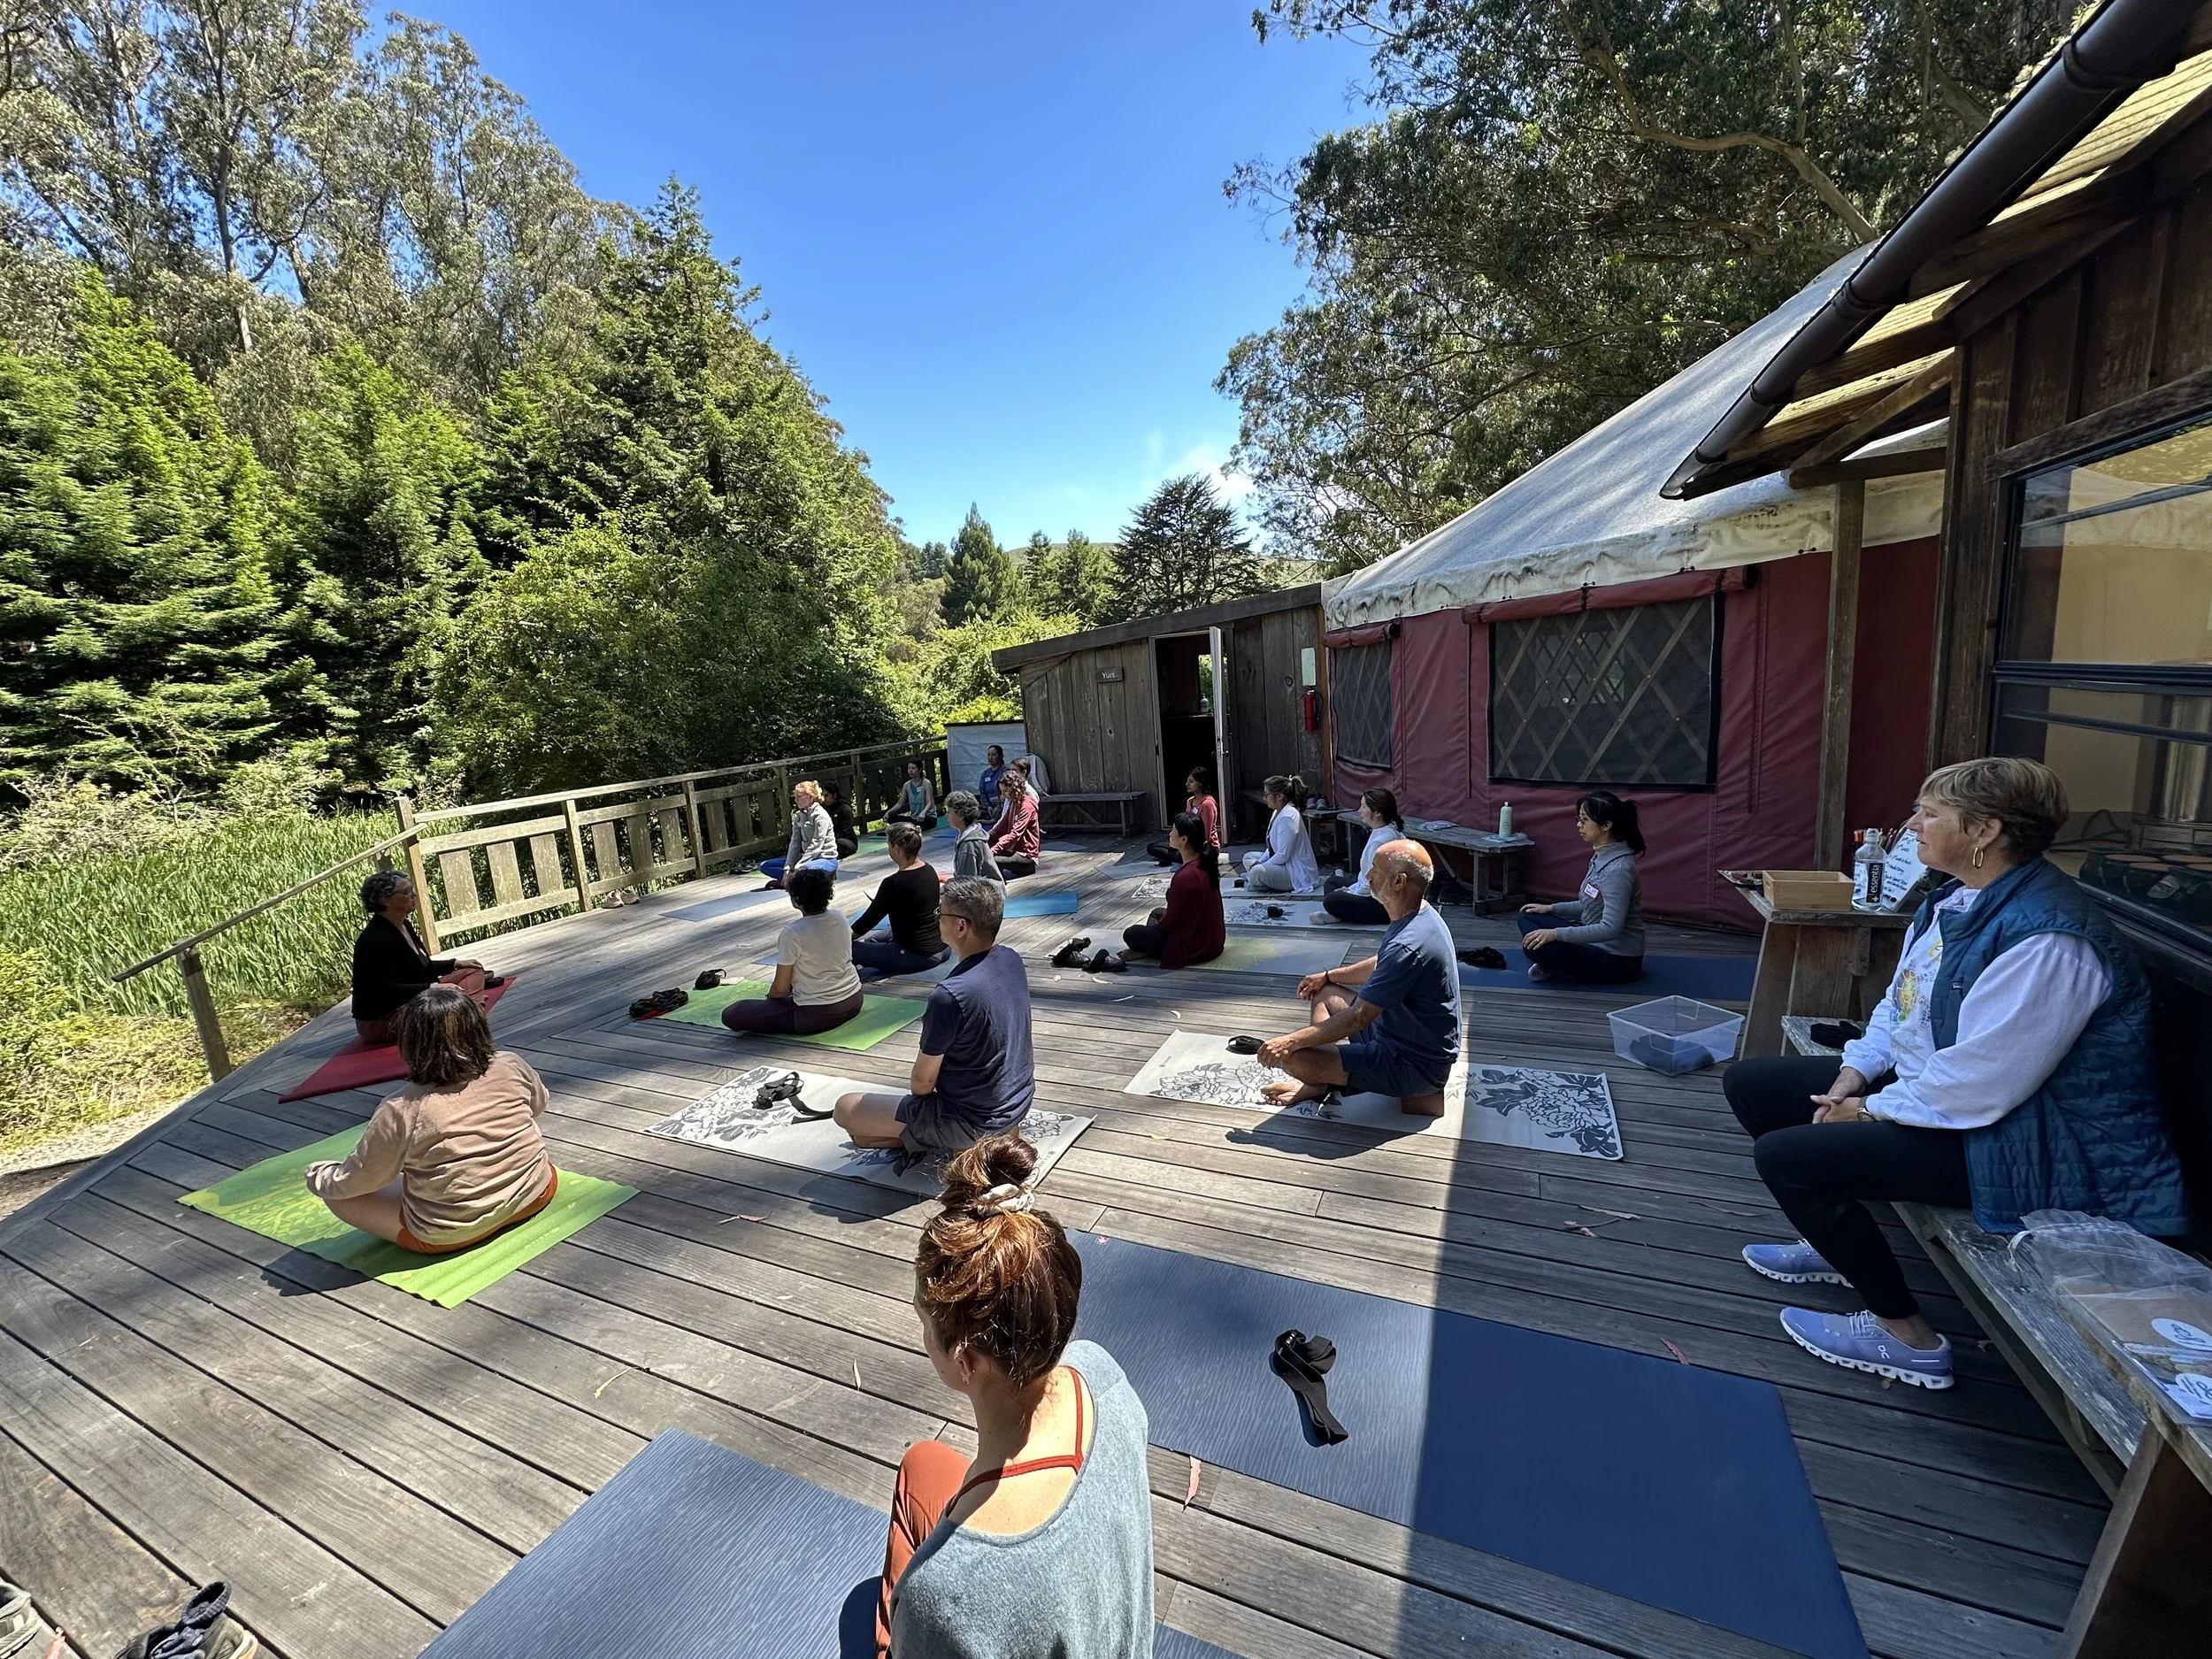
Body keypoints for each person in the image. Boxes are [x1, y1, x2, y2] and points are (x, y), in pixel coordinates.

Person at [1724, 757, 2188, 1392]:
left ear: (1985, 831)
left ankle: (1906, 1336)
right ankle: (1840, 1248)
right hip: (1972, 1104)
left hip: (2039, 1141)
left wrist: (1870, 1110)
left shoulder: (2049, 940)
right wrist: (1854, 1075)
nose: (1911, 824)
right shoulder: (1957, 898)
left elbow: (1981, 1084)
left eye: (1929, 812)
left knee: (1789, 1158)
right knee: (1750, 1084)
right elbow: (1902, 1004)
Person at [874, 1134, 1153, 1659]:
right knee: (924, 1462)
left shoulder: (943, 1599)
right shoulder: (1101, 1373)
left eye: (924, 1323)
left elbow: (954, 1604)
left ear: (966, 1360)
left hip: (957, 1607)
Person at [304, 986, 557, 1252]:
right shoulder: (511, 1064)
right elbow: (538, 1105)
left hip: (453, 1231)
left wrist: (319, 1175)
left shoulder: (401, 1109)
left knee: (339, 1195)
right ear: (479, 1029)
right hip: (537, 1192)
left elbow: (359, 1181)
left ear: (409, 1043)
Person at [1256, 840, 1460, 1117]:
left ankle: (1316, 1078)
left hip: (1415, 1065)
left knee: (1294, 1059)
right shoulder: (1420, 913)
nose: (1368, 876)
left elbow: (1358, 1017)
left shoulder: (1410, 942)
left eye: (1375, 870)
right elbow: (1381, 964)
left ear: (1399, 881)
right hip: (1398, 1033)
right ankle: (1318, 1084)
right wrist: (1327, 976)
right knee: (1325, 992)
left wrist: (1290, 1042)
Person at [834, 879, 1033, 1154]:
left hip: (972, 1120)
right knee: (869, 1132)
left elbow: (922, 1084)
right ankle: (940, 1138)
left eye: (941, 913)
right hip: (1018, 1101)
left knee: (846, 1109)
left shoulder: (950, 995)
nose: (937, 918)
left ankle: (957, 1141)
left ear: (961, 926)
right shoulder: (1011, 958)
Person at [1517, 792, 1647, 983]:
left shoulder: (1618, 869)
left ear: (1606, 825)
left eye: (1584, 820)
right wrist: (1551, 908)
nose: (1579, 825)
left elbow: (1610, 928)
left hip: (1617, 960)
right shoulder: (1601, 856)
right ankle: (1559, 964)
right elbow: (1591, 904)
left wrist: (1555, 934)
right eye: (1578, 819)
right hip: (1593, 943)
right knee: (1528, 917)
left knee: (1535, 946)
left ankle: (1556, 966)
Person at [721, 865, 864, 1036]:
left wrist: (771, 1000)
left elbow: (781, 989)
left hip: (817, 1014)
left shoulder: (793, 932)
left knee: (732, 1014)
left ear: (796, 900)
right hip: (854, 999)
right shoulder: (839, 917)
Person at [350, 870, 488, 1044]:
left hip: (416, 1000)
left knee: (471, 970)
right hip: (384, 1018)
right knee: (443, 1008)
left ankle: (468, 1013)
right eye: (406, 891)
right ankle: (470, 1015)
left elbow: (419, 965)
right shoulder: (373, 940)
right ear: (384, 900)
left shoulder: (404, 925)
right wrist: (434, 987)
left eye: (411, 889)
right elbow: (383, 990)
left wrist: (454, 963)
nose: (413, 894)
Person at [1120, 810, 1225, 968]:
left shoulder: (1186, 875)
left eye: (1173, 830)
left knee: (1131, 933)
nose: (1169, 834)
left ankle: (1149, 950)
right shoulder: (1205, 864)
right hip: (1213, 940)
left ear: (1184, 839)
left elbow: (1168, 923)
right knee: (1156, 912)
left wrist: (1153, 935)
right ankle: (1149, 948)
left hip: (1194, 946)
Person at [853, 821, 952, 978]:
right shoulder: (929, 870)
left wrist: (841, 942)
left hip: (917, 955)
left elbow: (865, 923)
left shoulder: (894, 883)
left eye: (889, 846)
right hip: (943, 947)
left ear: (897, 849)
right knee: (878, 937)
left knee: (852, 950)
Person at [1320, 788, 1404, 926]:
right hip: (1372, 892)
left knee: (1331, 900)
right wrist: (1351, 889)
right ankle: (1343, 913)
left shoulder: (1381, 841)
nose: (1359, 810)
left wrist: (1351, 892)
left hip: (1382, 904)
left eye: (1363, 806)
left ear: (1377, 813)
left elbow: (1375, 884)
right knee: (1332, 882)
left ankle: (1341, 915)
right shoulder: (1382, 830)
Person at [1241, 774, 1320, 895]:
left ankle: (1260, 881)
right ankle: (1260, 880)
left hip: (1295, 870)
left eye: (1267, 795)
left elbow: (1283, 855)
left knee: (1256, 872)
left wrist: (1261, 865)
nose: (1264, 798)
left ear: (1279, 796)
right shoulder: (1277, 813)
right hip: (1283, 864)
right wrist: (1261, 861)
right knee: (1248, 857)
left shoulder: (1288, 817)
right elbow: (1272, 848)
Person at [761, 780, 840, 888]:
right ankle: (792, 880)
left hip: (824, 859)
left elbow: (816, 845)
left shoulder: (821, 816)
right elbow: (795, 843)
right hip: (805, 859)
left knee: (802, 869)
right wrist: (788, 867)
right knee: (765, 866)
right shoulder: (799, 815)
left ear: (811, 797)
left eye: (799, 796)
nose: (796, 800)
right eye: (795, 796)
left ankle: (792, 881)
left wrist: (798, 866)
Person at [1147, 768, 1220, 866]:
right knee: (1152, 847)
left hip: (1202, 847)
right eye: (1187, 781)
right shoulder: (1190, 801)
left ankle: (1185, 857)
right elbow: (1184, 825)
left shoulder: (1208, 804)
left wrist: (1184, 847)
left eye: (1191, 781)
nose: (1187, 784)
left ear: (1201, 783)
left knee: (1171, 853)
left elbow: (1206, 835)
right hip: (1185, 842)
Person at [989, 769, 1041, 880]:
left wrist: (992, 851)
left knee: (990, 859)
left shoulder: (1027, 806)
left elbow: (1015, 835)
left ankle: (1024, 868)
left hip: (1026, 855)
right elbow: (999, 829)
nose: (1003, 795)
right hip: (1013, 850)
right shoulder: (1013, 803)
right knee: (985, 849)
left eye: (1005, 791)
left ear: (1014, 789)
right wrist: (984, 839)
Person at [945, 790, 1004, 887]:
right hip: (984, 891)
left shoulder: (969, 844)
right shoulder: (967, 834)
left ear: (960, 814)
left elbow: (966, 884)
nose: (946, 816)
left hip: (987, 896)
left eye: (949, 812)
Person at [887, 760, 940, 831]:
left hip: (927, 817)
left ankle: (909, 827)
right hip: (914, 818)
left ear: (920, 769)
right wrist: (889, 812)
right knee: (891, 818)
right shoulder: (907, 785)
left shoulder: (926, 783)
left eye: (913, 768)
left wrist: (923, 813)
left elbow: (929, 803)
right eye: (909, 768)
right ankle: (911, 827)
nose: (910, 771)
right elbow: (900, 803)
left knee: (926, 821)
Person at [820, 779, 862, 859]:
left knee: (838, 843)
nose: (824, 799)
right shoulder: (823, 809)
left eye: (826, 795)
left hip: (846, 840)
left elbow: (844, 831)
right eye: (823, 796)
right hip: (829, 839)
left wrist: (829, 840)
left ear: (834, 795)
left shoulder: (845, 809)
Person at [978, 744, 1008, 808]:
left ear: (1000, 756)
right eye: (988, 755)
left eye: (994, 755)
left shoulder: (1006, 771)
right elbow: (982, 792)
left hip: (1003, 806)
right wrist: (988, 806)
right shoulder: (985, 774)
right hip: (989, 808)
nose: (990, 758)